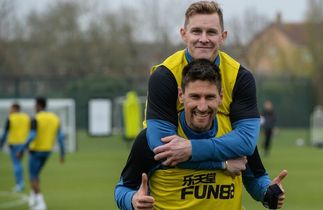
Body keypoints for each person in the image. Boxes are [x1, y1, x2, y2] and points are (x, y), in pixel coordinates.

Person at [115, 59, 286, 210]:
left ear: (220, 97)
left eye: (209, 97)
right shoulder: (154, 140)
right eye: (195, 96)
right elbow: (122, 189)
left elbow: (257, 179)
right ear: (181, 96)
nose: (202, 106)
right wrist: (133, 200)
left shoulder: (234, 136)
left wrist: (269, 193)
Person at [146, 0, 260, 178]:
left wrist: (191, 148)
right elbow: (162, 148)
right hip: (169, 190)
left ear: (223, 36)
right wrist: (222, 164)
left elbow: (246, 142)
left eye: (212, 32)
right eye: (197, 31)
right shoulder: (164, 76)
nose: (204, 39)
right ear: (184, 34)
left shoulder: (240, 77)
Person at [17, 97, 65, 210]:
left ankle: (41, 203)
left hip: (35, 151)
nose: (34, 107)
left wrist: (21, 149)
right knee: (36, 174)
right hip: (47, 151)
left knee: (33, 177)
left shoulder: (36, 119)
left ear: (39, 105)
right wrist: (62, 154)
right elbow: (61, 138)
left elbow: (32, 136)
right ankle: (33, 197)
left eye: (35, 105)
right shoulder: (55, 118)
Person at [0, 103, 31, 192]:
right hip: (24, 143)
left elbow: (5, 133)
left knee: (16, 164)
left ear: (15, 109)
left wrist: (1, 144)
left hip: (14, 144)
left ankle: (20, 184)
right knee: (19, 163)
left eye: (11, 109)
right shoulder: (26, 117)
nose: (10, 110)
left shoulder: (11, 118)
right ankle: (21, 182)